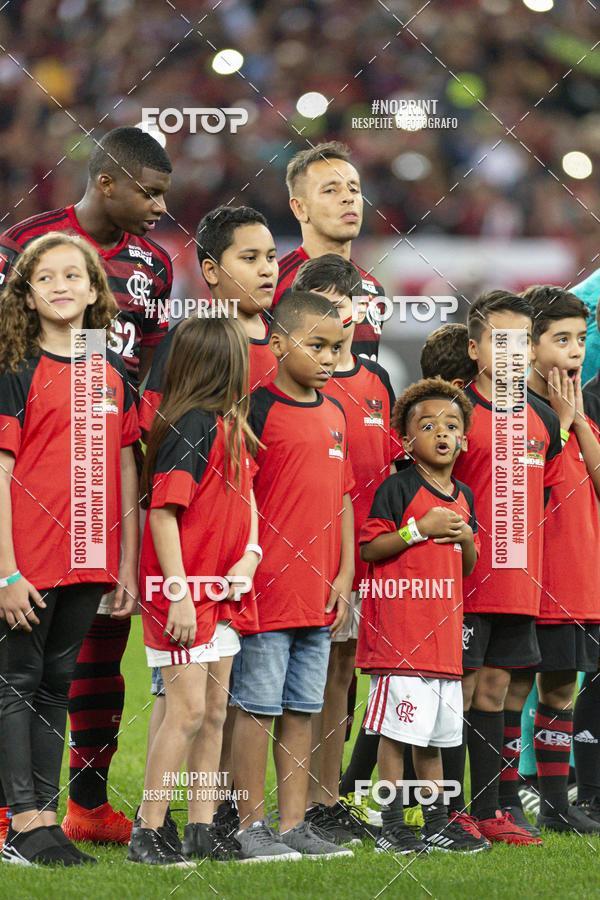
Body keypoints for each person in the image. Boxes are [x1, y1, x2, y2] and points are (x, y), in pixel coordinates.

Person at [0, 126, 173, 844]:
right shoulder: (25, 242)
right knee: (18, 660)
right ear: (108, 182)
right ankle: (19, 808)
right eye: (151, 191)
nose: (162, 207)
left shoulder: (153, 265)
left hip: (107, 455)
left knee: (93, 647)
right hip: (31, 459)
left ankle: (87, 805)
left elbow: (155, 366)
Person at [0, 233, 140, 866]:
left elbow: (125, 469)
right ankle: (22, 824)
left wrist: (127, 564)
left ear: (93, 290)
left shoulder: (108, 371)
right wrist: (5, 572)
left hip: (89, 560)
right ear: (27, 296)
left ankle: (45, 819)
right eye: (45, 278)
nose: (60, 286)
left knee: (56, 685)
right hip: (26, 565)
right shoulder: (14, 366)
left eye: (73, 276)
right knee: (16, 684)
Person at [129, 316, 261, 866]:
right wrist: (180, 593)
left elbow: (248, 498)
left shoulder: (231, 424)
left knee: (213, 714)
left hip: (220, 590)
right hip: (181, 592)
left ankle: (202, 829)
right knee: (184, 713)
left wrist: (251, 556)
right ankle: (148, 830)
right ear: (223, 363)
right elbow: (163, 515)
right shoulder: (190, 425)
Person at [231, 290, 355, 862]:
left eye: (337, 347)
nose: (329, 358)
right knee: (257, 709)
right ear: (277, 343)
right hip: (267, 594)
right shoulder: (254, 410)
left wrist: (345, 574)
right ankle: (248, 825)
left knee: (304, 710)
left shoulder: (335, 413)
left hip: (320, 594)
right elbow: (235, 499)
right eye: (317, 345)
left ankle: (293, 824)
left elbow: (346, 500)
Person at [287, 254, 396, 844]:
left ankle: (326, 801)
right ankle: (279, 803)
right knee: (291, 677)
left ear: (360, 307)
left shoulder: (376, 381)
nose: (338, 311)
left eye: (344, 300)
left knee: (342, 675)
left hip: (366, 556)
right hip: (307, 552)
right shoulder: (296, 386)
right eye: (323, 301)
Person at [449, 291, 563, 845]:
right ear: (474, 348)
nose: (513, 352)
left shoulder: (544, 418)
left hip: (520, 581)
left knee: (495, 692)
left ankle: (488, 809)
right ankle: (448, 810)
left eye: (522, 342)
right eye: (500, 340)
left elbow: (545, 498)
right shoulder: (452, 410)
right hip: (462, 582)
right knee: (459, 690)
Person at [357, 378, 488, 855]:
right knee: (396, 733)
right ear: (407, 440)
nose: (441, 433)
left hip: (444, 641)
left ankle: (435, 821)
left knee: (431, 738)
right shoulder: (398, 488)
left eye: (451, 425)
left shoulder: (465, 496)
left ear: (464, 439)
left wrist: (468, 539)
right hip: (401, 638)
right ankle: (391, 822)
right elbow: (371, 547)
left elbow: (466, 567)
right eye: (427, 425)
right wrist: (419, 528)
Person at [495, 286, 600, 834]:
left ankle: (557, 806)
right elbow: (522, 491)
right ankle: (507, 798)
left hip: (579, 579)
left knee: (561, 688)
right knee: (514, 687)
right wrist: (562, 421)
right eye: (561, 340)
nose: (575, 351)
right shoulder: (518, 414)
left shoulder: (576, 414)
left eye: (581, 339)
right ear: (530, 347)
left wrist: (577, 418)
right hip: (536, 578)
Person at [139, 204, 277, 435]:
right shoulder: (186, 342)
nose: (267, 269)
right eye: (250, 258)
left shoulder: (290, 341)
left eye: (271, 257)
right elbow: (157, 434)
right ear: (212, 271)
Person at [273, 142, 385, 361]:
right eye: (331, 190)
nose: (348, 197)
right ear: (300, 208)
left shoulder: (373, 289)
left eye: (354, 189)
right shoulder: (273, 285)